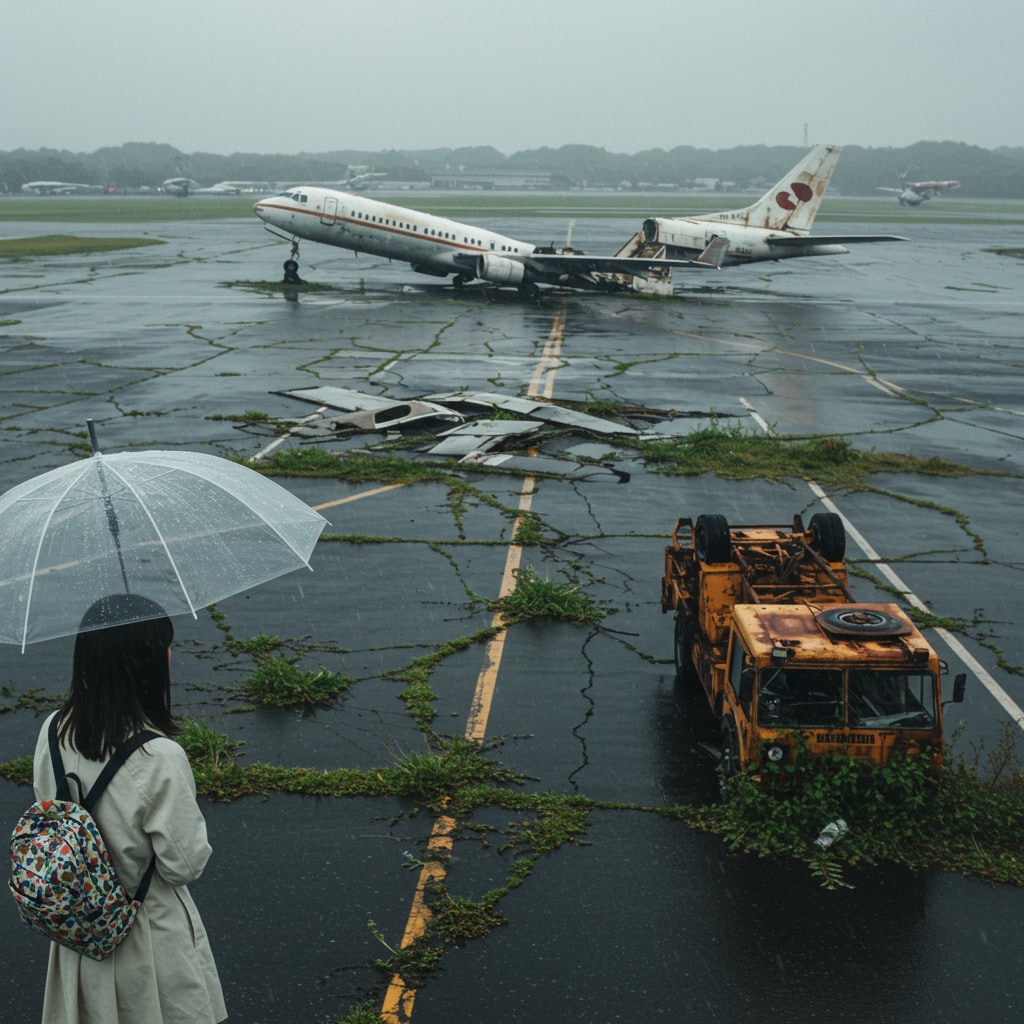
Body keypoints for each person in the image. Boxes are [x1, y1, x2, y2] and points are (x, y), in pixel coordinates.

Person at [32, 594, 227, 1024]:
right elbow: (183, 865)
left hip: (80, 934)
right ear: (147, 662)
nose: (171, 654)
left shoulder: (52, 731)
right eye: (164, 645)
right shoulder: (159, 756)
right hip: (146, 941)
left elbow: (52, 816)